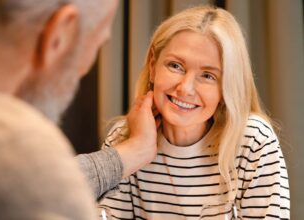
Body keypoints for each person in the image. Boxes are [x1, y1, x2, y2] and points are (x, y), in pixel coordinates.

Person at [0, 0, 159, 219]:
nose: (84, 68)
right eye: (96, 44)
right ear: (61, 33)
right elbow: (24, 177)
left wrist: (132, 152)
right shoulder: (13, 147)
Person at [99, 6, 290, 219]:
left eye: (208, 76)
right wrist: (135, 148)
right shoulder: (123, 138)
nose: (185, 88)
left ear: (227, 86)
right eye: (175, 66)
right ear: (153, 66)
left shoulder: (253, 140)